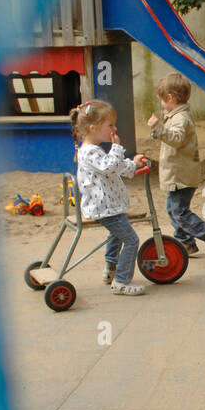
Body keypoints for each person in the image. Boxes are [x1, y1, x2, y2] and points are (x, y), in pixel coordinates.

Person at [70, 101, 149, 296]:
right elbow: (110, 166)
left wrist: (134, 164)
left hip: (106, 206)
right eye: (110, 125)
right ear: (93, 128)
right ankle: (121, 281)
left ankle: (111, 269)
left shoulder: (94, 150)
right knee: (131, 240)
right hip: (103, 208)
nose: (114, 129)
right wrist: (117, 147)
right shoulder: (90, 151)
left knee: (117, 234)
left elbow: (114, 167)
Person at [146, 73, 205, 263]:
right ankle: (186, 242)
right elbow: (171, 136)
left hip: (181, 175)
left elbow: (176, 139)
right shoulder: (176, 116)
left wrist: (158, 128)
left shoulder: (181, 118)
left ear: (170, 98)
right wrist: (158, 131)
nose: (161, 104)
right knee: (173, 209)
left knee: (179, 212)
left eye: (162, 100)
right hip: (178, 174)